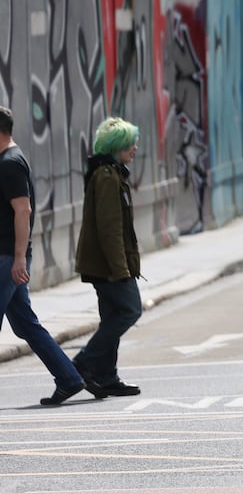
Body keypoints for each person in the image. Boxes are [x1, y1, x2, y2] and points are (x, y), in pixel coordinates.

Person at [0, 107, 86, 405]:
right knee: (25, 324)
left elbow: (23, 210)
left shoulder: (10, 163)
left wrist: (19, 257)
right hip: (11, 257)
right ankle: (69, 378)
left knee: (24, 324)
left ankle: (69, 377)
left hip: (8, 258)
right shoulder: (10, 159)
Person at [74, 116, 145, 398]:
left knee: (113, 316)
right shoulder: (106, 177)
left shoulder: (112, 173)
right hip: (108, 266)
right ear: (116, 147)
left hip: (106, 264)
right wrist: (121, 269)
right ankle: (83, 363)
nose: (135, 148)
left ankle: (105, 375)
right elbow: (109, 229)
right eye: (130, 144)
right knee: (130, 310)